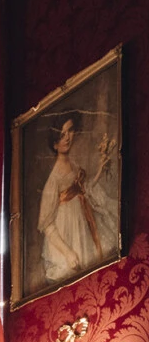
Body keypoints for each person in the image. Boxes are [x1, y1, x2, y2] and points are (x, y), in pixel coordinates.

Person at [38, 113, 115, 285]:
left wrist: (100, 170)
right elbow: (47, 224)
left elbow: (83, 189)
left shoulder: (73, 164)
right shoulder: (54, 178)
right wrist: (67, 252)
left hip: (81, 222)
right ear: (55, 144)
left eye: (70, 131)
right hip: (67, 230)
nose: (67, 138)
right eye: (62, 135)